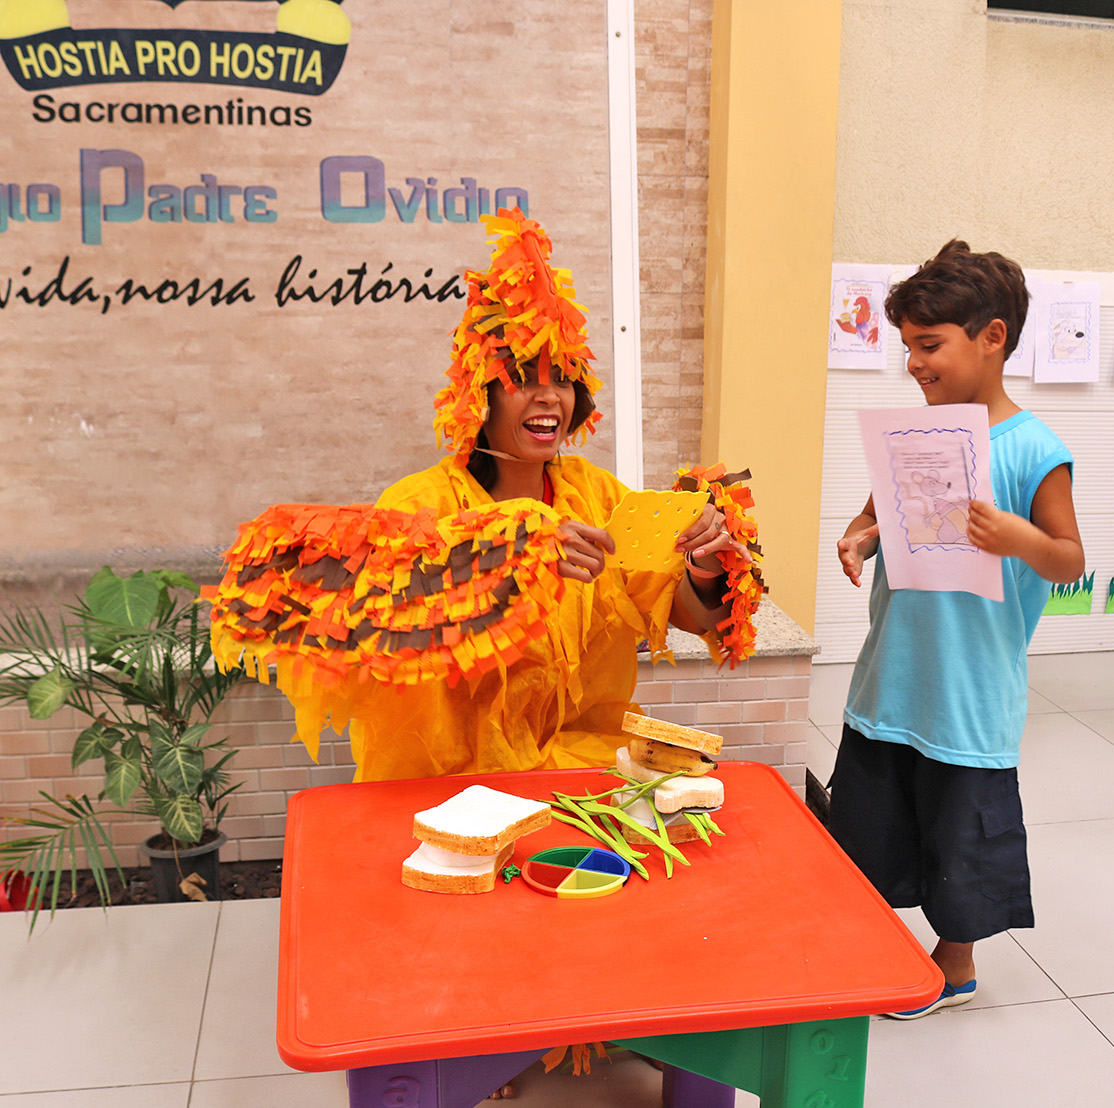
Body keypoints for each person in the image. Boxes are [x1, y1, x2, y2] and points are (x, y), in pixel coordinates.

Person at [208, 210, 762, 784]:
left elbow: (695, 617)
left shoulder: (600, 498)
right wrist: (505, 556)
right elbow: (369, 629)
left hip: (577, 776)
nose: (548, 397)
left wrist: (702, 567)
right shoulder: (420, 503)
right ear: (481, 398)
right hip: (448, 785)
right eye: (522, 377)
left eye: (563, 378)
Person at [829, 241, 1085, 1019]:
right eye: (908, 346)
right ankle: (868, 943)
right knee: (871, 818)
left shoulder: (1037, 451)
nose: (914, 362)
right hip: (893, 677)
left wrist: (1020, 540)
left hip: (970, 691)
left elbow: (1069, 560)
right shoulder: (916, 438)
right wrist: (857, 536)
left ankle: (956, 964)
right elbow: (873, 513)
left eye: (929, 345)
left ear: (992, 338)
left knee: (960, 831)